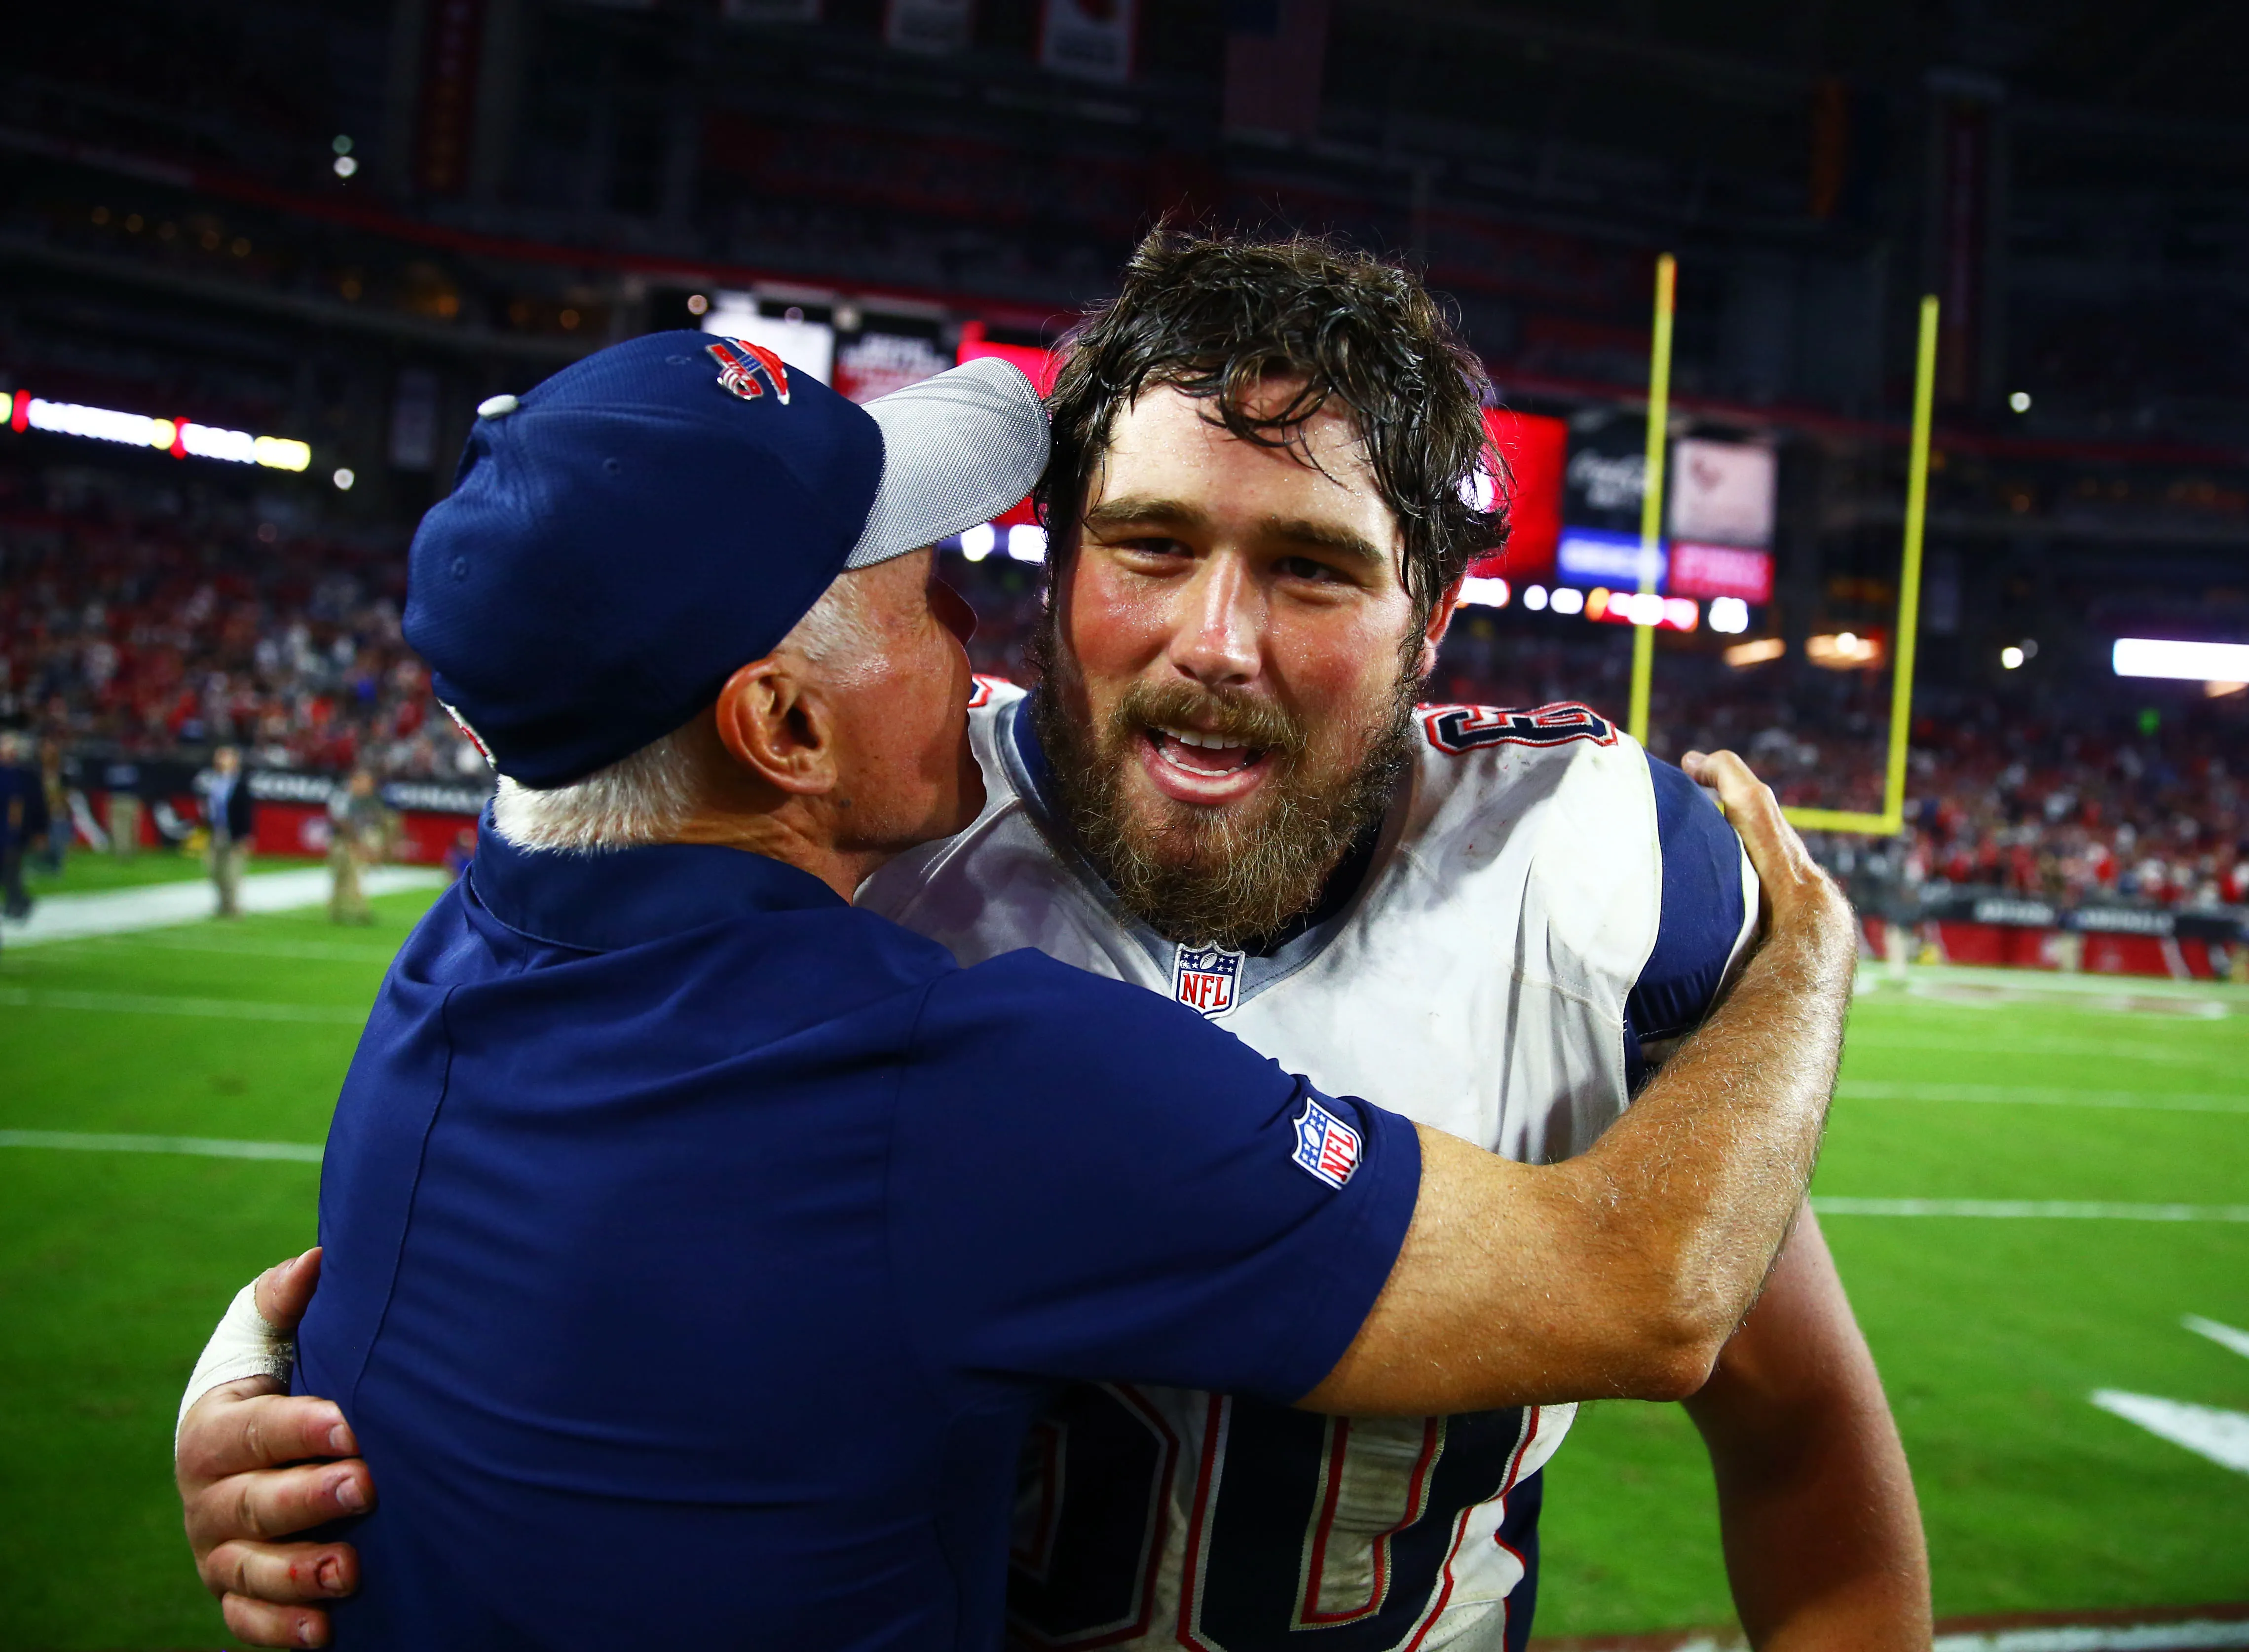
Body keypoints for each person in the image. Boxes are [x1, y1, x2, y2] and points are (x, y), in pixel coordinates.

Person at [170, 330, 1855, 1650]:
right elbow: (1647, 1291)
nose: (966, 614)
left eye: (1312, 567)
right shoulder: (955, 1064)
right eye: (919, 592)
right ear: (782, 726)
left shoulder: (445, 969)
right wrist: (1803, 963)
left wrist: (255, 1387)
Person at [324, 769, 395, 924]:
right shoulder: (343, 797)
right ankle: (342, 910)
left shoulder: (360, 799)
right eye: (365, 782)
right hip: (341, 841)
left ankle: (355, 910)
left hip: (351, 840)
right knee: (342, 876)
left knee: (352, 875)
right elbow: (343, 822)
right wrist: (357, 843)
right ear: (354, 781)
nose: (368, 787)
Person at [197, 745, 256, 919]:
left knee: (232, 872)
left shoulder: (241, 784)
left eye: (225, 757)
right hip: (216, 832)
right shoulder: (214, 781)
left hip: (233, 833)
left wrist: (246, 835)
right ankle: (221, 904)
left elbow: (247, 812)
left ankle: (232, 907)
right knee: (214, 870)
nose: (220, 760)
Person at [0, 731, 47, 921]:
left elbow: (37, 804)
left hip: (16, 832)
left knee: (12, 867)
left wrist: (40, 831)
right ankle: (18, 901)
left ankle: (16, 903)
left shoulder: (26, 775)